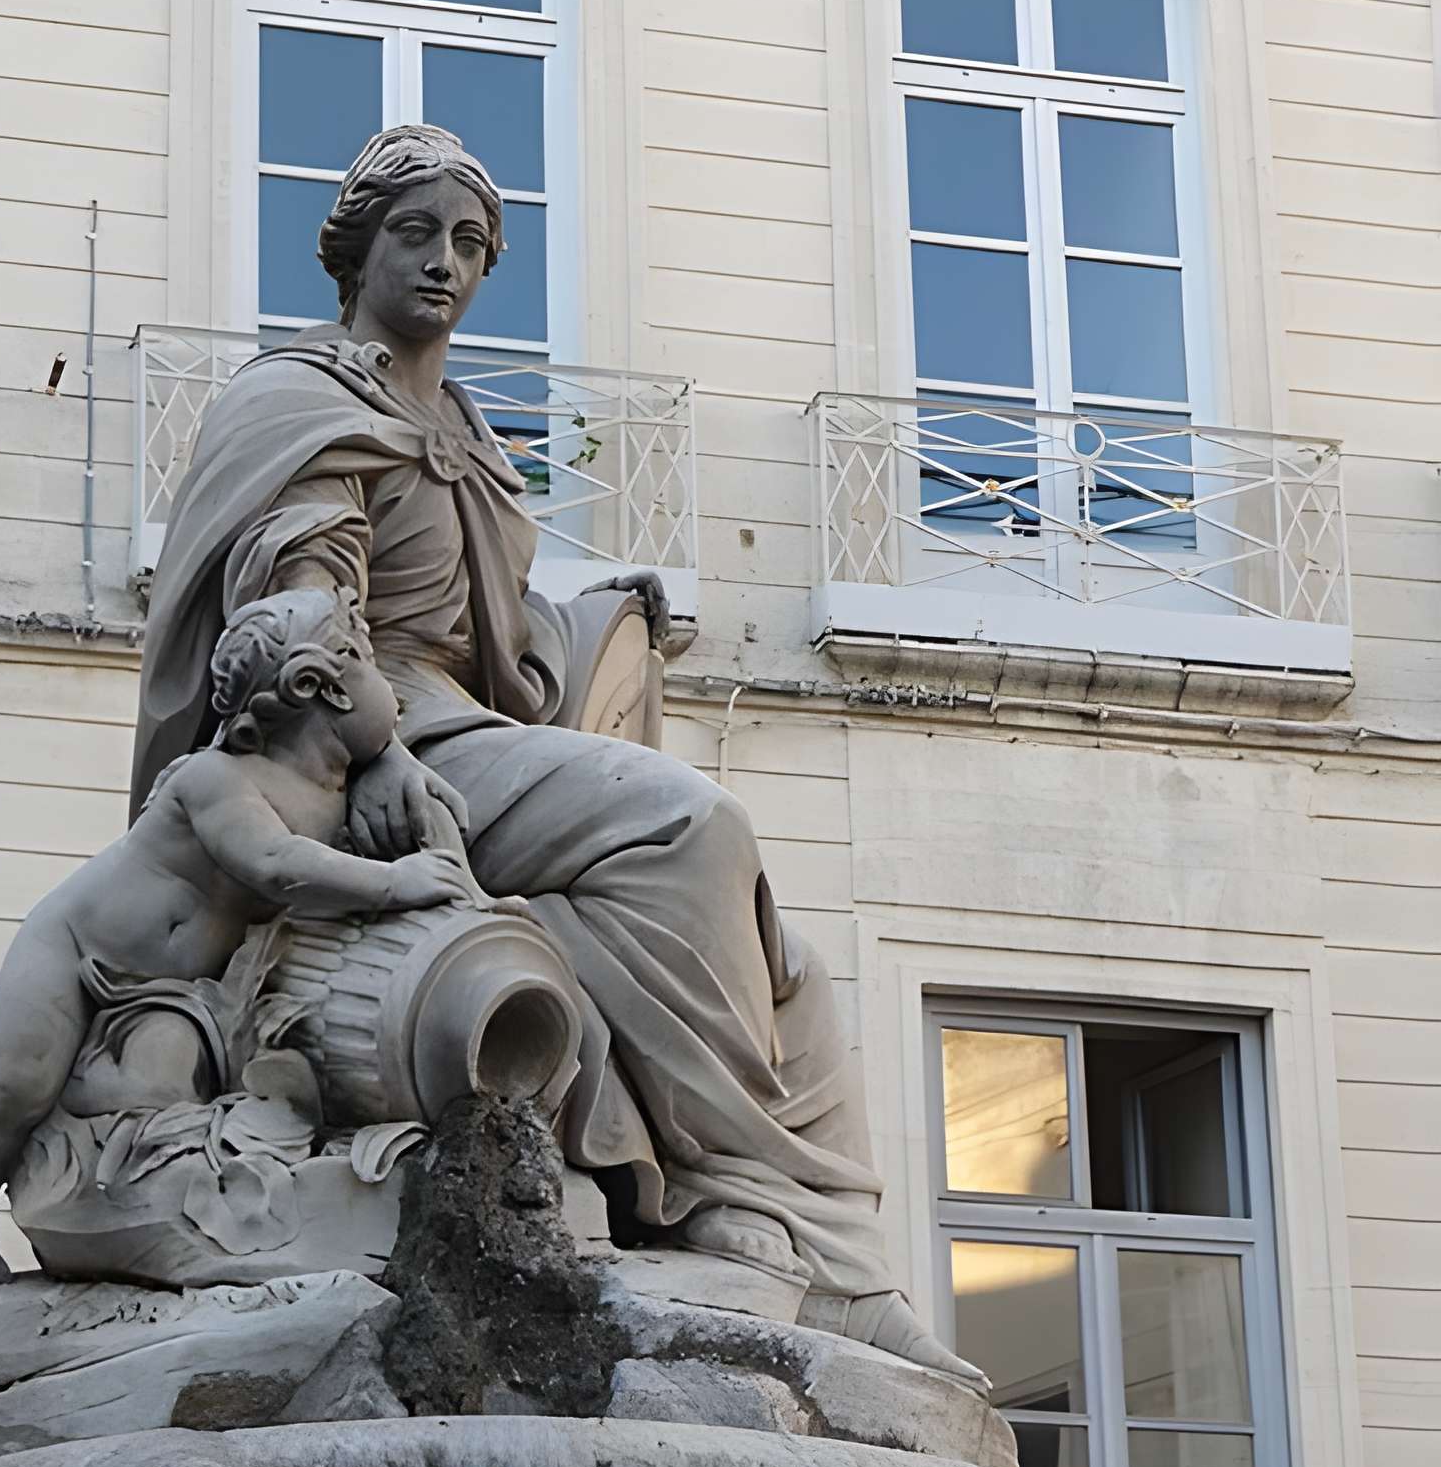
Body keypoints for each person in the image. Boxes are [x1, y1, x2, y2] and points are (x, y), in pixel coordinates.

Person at [134, 124, 980, 1381]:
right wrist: (370, 757)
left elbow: (500, 647)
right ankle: (742, 1197)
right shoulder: (298, 402)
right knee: (690, 827)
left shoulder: (466, 431)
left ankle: (831, 1256)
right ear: (354, 249)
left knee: (779, 952)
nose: (444, 264)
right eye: (416, 233)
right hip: (373, 738)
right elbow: (298, 608)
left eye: (470, 243)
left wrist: (589, 634)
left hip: (470, 726)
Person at [0, 586, 473, 1287]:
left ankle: (154, 1221)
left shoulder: (340, 787)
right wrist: (402, 880)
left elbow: (379, 755)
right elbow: (278, 867)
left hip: (184, 994)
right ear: (318, 687)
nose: (393, 693)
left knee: (164, 1107)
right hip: (73, 955)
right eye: (370, 665)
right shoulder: (213, 779)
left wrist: (407, 771)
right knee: (21, 1083)